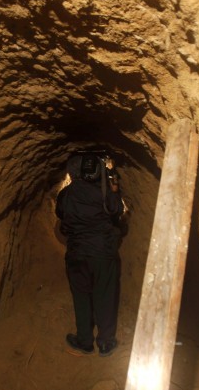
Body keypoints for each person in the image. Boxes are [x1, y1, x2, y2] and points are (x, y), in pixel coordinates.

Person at [56, 152, 124, 357]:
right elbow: (117, 210)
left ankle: (84, 341)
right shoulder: (104, 193)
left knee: (81, 297)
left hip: (77, 254)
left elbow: (60, 215)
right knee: (105, 296)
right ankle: (105, 342)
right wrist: (114, 187)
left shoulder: (65, 195)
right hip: (103, 254)